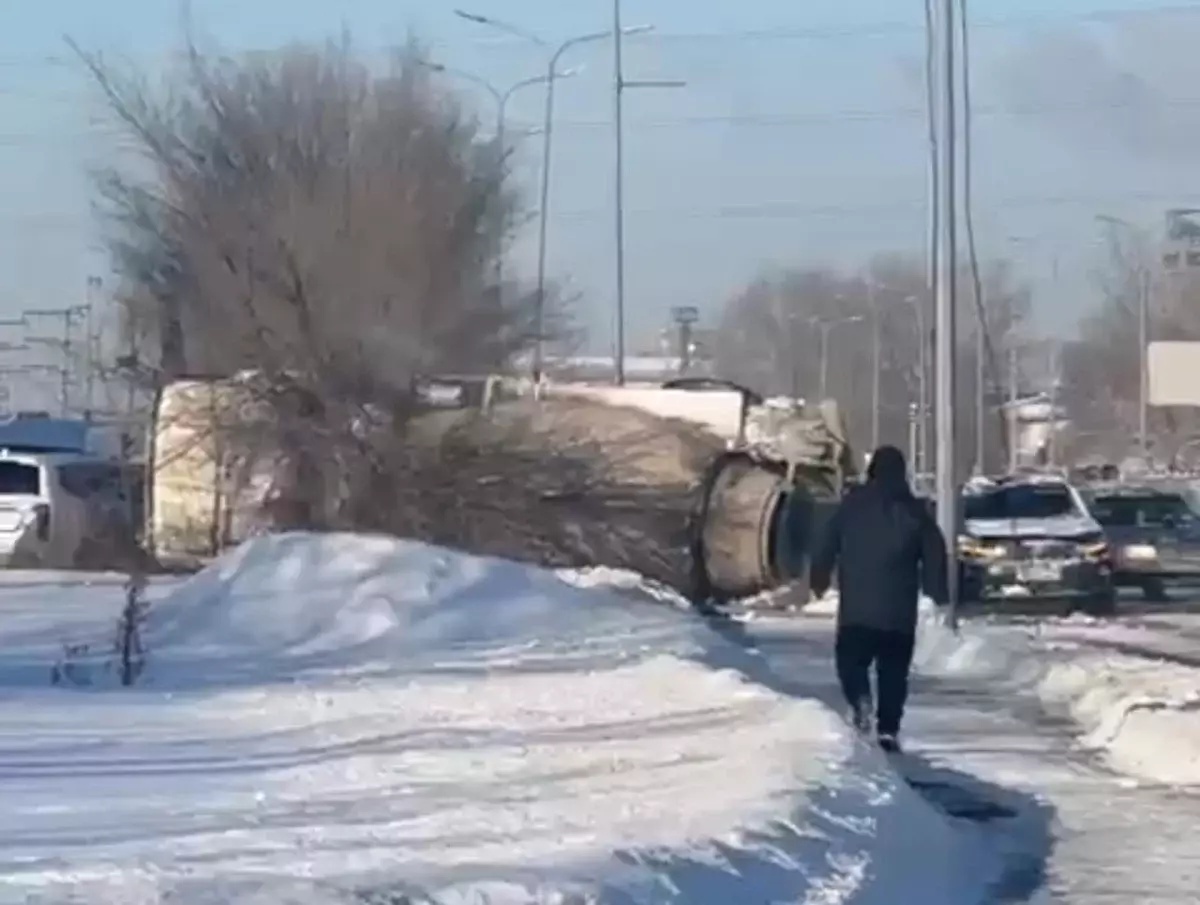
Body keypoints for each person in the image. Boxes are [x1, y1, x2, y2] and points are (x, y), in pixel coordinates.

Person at [809, 444, 949, 753]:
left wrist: (818, 577)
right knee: (894, 672)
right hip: (899, 612)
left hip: (857, 610)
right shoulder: (915, 511)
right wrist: (936, 590)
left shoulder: (851, 506)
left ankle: (860, 700)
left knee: (851, 661)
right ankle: (888, 729)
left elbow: (826, 542)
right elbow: (934, 551)